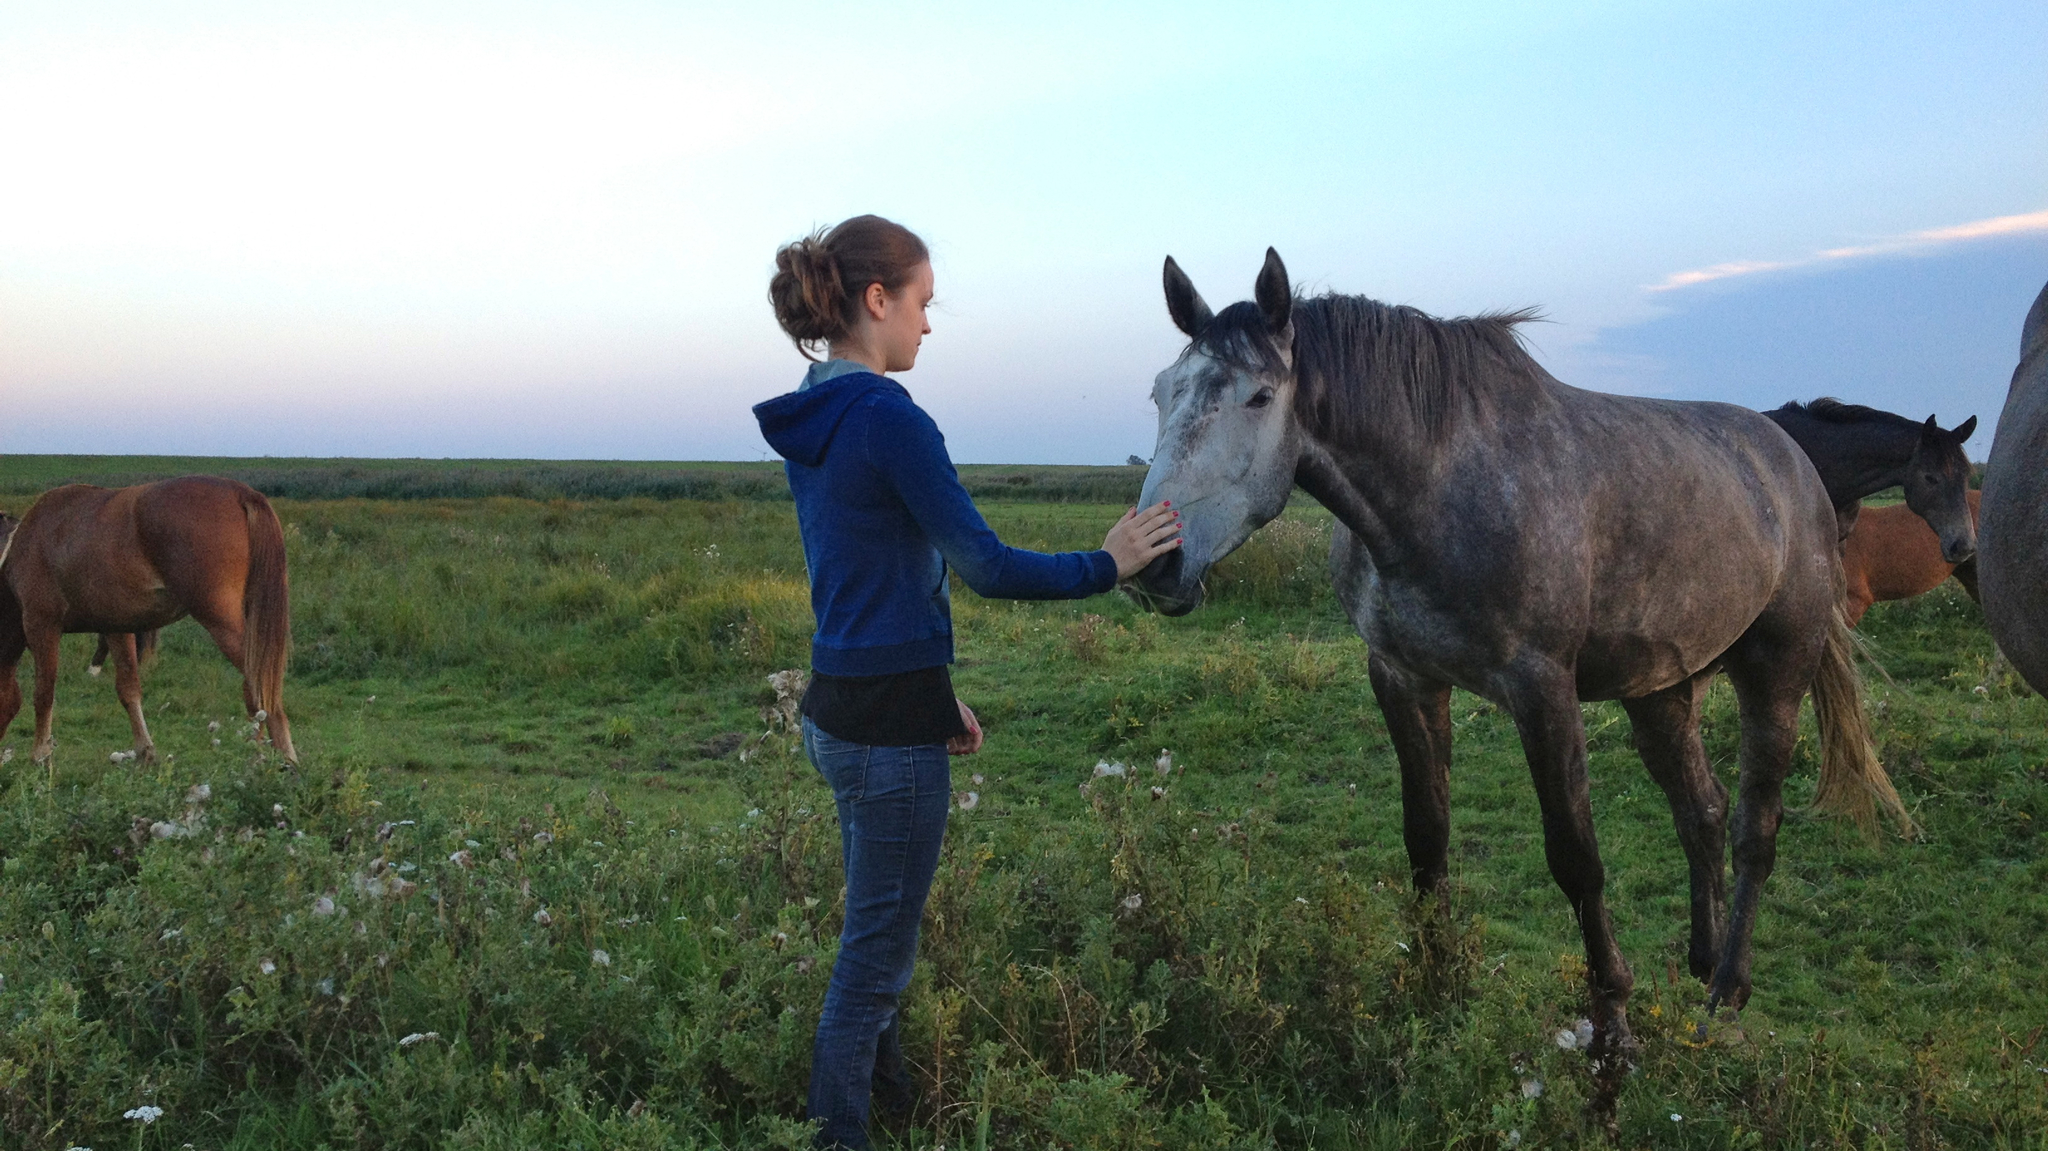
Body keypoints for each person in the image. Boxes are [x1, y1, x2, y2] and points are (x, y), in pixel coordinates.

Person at [753, 215, 1181, 1149]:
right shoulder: (886, 418)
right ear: (878, 301)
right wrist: (1108, 563)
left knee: (883, 934)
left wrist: (935, 695)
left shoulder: (815, 411)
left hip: (840, 710)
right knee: (874, 956)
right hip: (884, 738)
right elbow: (983, 564)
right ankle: (839, 1138)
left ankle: (895, 1104)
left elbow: (873, 577)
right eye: (922, 303)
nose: (928, 325)